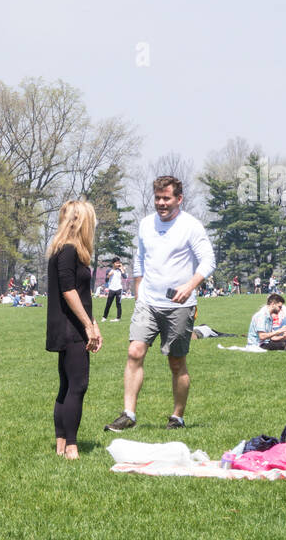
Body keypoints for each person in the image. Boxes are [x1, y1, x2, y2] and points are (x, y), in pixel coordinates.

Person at [104, 175, 216, 432]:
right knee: (134, 352)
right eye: (157, 198)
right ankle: (128, 414)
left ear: (179, 199)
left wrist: (189, 287)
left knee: (176, 362)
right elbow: (140, 261)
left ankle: (177, 416)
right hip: (148, 303)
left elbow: (208, 261)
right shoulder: (145, 225)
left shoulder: (191, 226)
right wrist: (139, 292)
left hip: (179, 306)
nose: (161, 203)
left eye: (166, 198)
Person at [46, 199, 103, 460]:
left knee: (67, 385)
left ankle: (61, 442)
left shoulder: (65, 250)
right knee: (78, 385)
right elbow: (69, 292)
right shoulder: (68, 251)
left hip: (70, 326)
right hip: (71, 329)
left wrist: (94, 324)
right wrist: (87, 325)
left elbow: (80, 293)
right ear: (81, 222)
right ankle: (71, 445)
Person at [102, 258, 125, 322]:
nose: (118, 264)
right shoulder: (109, 270)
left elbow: (125, 277)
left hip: (119, 289)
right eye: (116, 263)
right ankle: (104, 317)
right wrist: (109, 275)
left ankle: (118, 318)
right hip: (111, 289)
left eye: (119, 262)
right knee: (108, 304)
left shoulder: (120, 270)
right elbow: (106, 280)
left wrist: (122, 270)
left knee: (118, 304)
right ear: (113, 263)